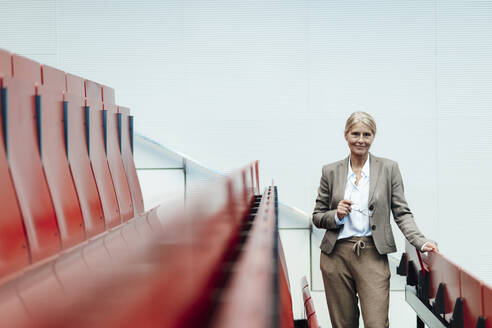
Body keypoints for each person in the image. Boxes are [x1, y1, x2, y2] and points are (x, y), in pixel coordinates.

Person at [312, 111, 438, 328]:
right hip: (335, 256)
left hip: (372, 253)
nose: (361, 140)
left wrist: (420, 241)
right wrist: (337, 215)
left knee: (377, 323)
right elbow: (317, 216)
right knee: (343, 324)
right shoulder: (330, 171)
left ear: (373, 137)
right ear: (346, 135)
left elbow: (402, 212)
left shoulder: (389, 168)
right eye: (356, 134)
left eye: (367, 134)